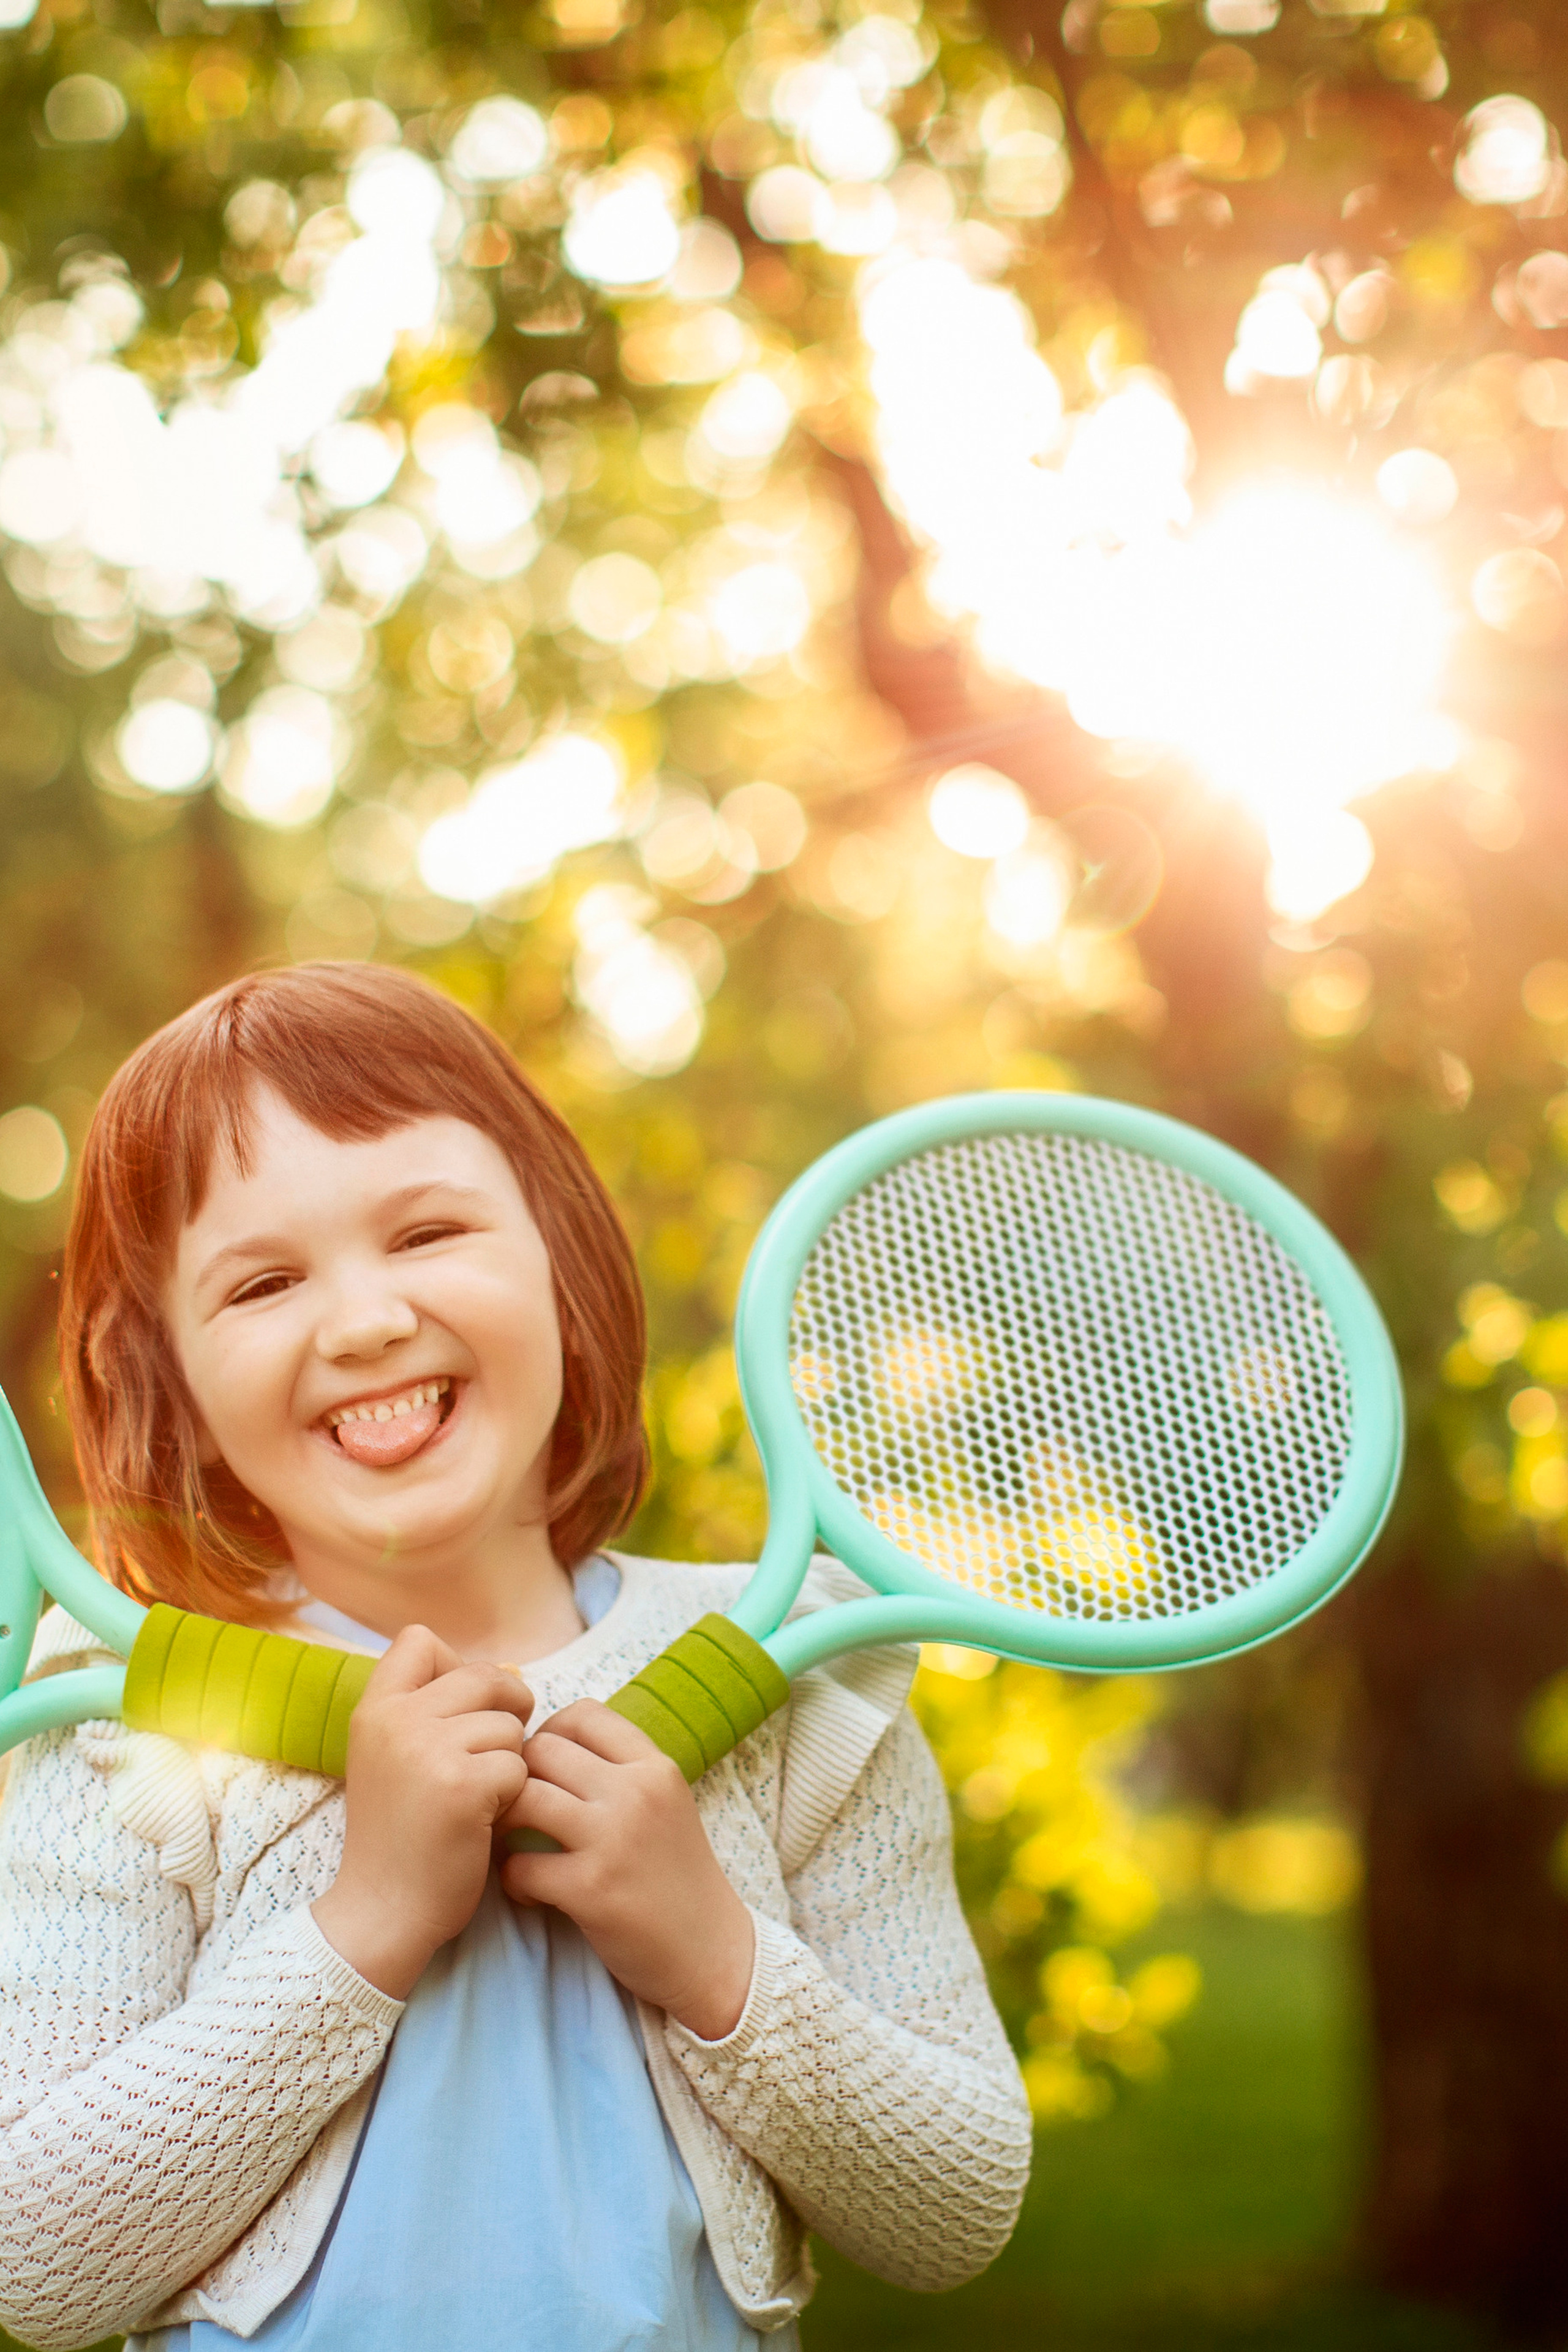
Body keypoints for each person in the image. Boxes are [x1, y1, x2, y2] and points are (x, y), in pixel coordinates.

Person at [0, 963, 1031, 2352]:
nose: (363, 1320)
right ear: (169, 1379)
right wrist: (362, 1923)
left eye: (425, 1231)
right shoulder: (127, 1728)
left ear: (558, 1254)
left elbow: (955, 2209)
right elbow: (31, 2266)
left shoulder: (801, 1685)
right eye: (262, 1282)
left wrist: (713, 1952)